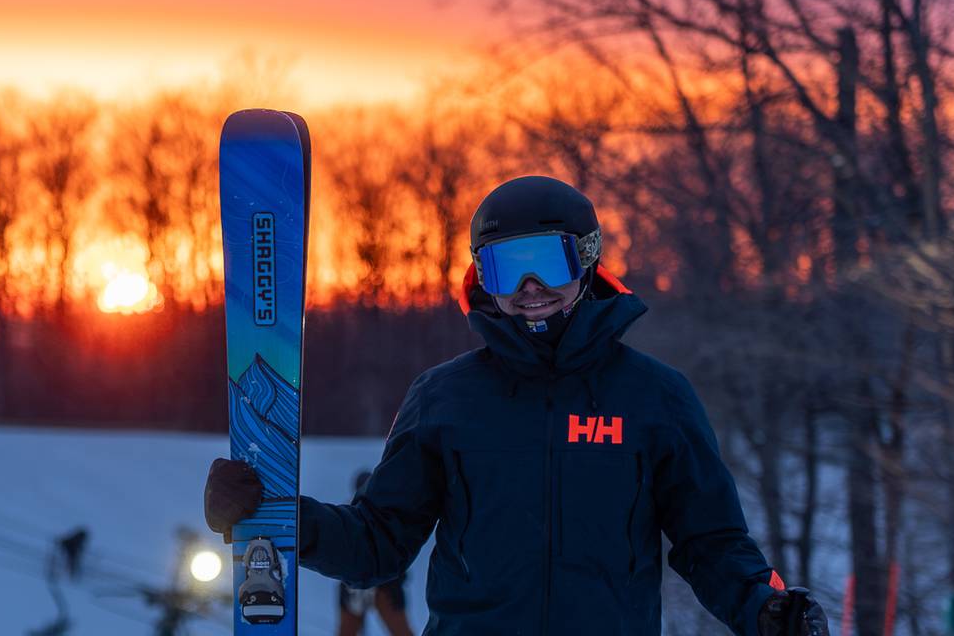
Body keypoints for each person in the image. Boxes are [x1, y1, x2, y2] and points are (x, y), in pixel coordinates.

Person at [204, 176, 830, 635]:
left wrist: (763, 606)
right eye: (507, 269)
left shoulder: (655, 398)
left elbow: (711, 542)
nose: (529, 290)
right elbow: (378, 544)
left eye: (544, 264)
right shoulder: (446, 398)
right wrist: (278, 515)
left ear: (586, 261)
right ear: (483, 277)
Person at [337, 470, 415, 636]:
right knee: (347, 631)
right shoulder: (349, 515)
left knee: (400, 630)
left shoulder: (387, 514)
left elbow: (399, 548)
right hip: (355, 585)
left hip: (385, 584)